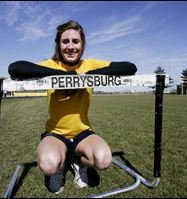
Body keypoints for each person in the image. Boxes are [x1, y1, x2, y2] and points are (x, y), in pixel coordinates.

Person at [8, 20, 137, 194]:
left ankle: (77, 163)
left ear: (82, 44)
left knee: (104, 159)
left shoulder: (89, 65)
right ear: (58, 44)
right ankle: (59, 168)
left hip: (82, 133)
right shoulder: (52, 65)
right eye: (65, 41)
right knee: (48, 164)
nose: (70, 46)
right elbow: (16, 68)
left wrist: (87, 75)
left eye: (75, 41)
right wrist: (64, 75)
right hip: (56, 133)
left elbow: (130, 67)